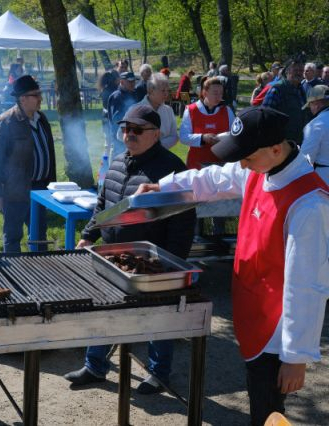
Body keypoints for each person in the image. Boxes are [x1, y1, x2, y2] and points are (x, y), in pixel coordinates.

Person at [139, 106, 329, 426]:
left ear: (276, 149)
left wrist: (296, 357)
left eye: (247, 157)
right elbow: (215, 178)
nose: (241, 163)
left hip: (276, 329)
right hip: (251, 310)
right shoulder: (259, 168)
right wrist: (166, 186)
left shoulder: (309, 203)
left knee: (267, 412)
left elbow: (307, 285)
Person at [63, 104, 196, 393]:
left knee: (158, 316)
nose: (129, 135)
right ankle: (95, 365)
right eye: (126, 129)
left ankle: (159, 374)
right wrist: (88, 235)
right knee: (103, 310)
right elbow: (103, 204)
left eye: (137, 130)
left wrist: (172, 261)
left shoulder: (172, 170)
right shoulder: (117, 162)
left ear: (157, 133)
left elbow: (183, 221)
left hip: (152, 260)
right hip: (112, 255)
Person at [0, 75, 56, 253]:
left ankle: (39, 271)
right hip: (16, 190)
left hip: (41, 189)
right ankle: (13, 275)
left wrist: (53, 186)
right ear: (22, 98)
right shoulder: (5, 123)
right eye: (36, 95)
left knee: (40, 235)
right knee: (12, 236)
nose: (40, 98)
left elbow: (49, 152)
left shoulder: (41, 119)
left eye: (40, 93)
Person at [179, 77, 235, 170]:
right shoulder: (191, 110)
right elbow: (183, 137)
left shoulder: (227, 110)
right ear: (205, 93)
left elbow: (235, 135)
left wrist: (223, 139)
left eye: (221, 93)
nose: (219, 97)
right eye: (215, 93)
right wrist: (203, 138)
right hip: (196, 164)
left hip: (221, 165)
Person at [263, 60, 310, 144]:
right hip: (281, 142)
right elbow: (265, 115)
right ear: (288, 71)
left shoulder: (301, 89)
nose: (299, 73)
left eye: (301, 70)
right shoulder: (277, 89)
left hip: (298, 141)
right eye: (295, 70)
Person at [126, 73, 177, 149]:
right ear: (150, 91)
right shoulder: (135, 110)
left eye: (167, 90)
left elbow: (174, 136)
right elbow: (121, 134)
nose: (166, 94)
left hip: (163, 157)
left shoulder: (168, 111)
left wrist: (157, 147)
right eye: (163, 90)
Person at [300, 85, 329, 184]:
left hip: (324, 178)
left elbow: (306, 157)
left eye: (310, 105)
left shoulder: (316, 125)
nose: (311, 109)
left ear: (316, 104)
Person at [107, 71, 137, 159]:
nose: (132, 83)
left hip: (130, 137)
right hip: (120, 140)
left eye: (133, 81)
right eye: (130, 81)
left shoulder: (133, 94)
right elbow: (116, 121)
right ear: (122, 82)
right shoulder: (117, 97)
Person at [98, 71, 120, 152]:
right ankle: (109, 162)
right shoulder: (114, 91)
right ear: (114, 79)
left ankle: (105, 162)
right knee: (112, 144)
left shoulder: (105, 89)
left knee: (108, 142)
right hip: (111, 118)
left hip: (105, 117)